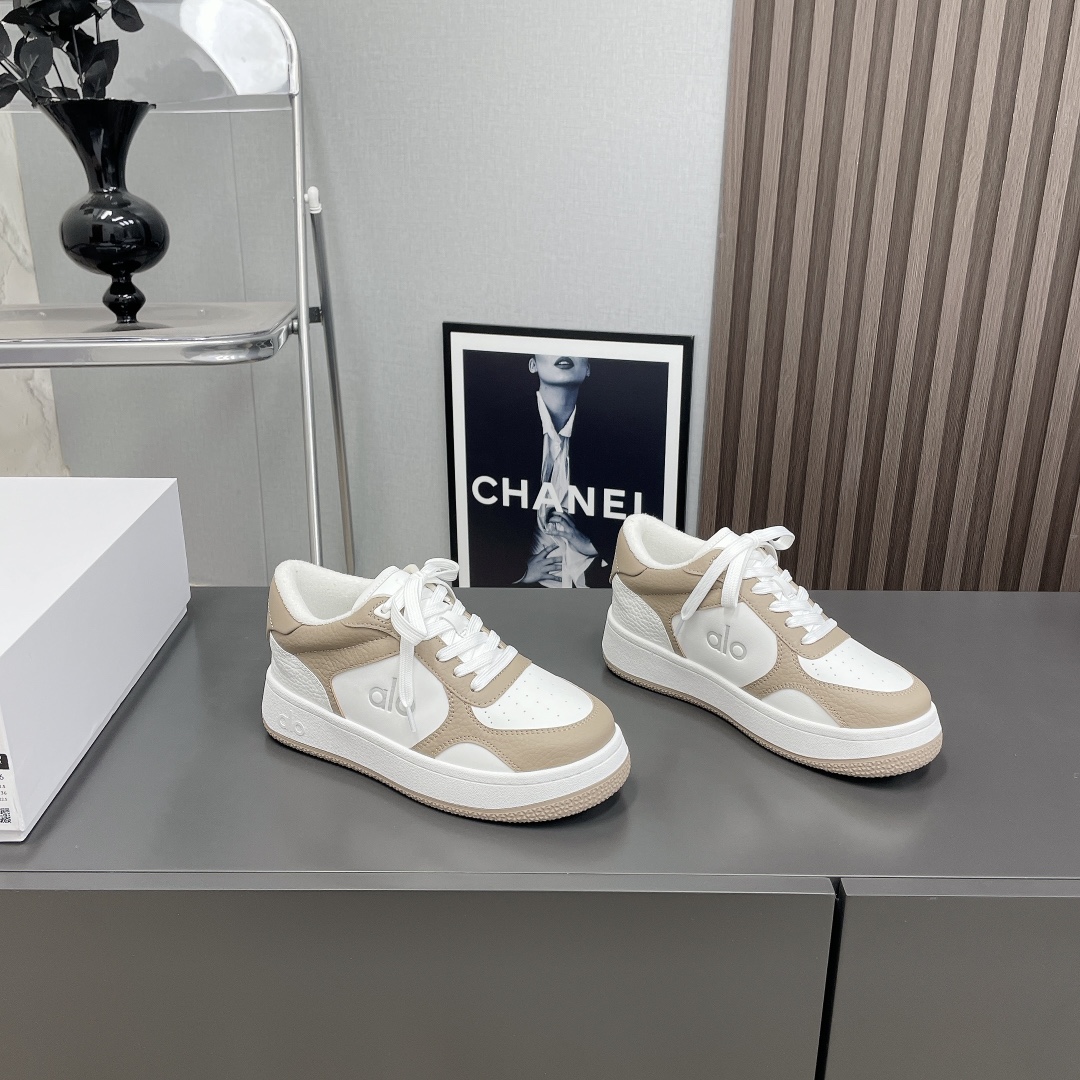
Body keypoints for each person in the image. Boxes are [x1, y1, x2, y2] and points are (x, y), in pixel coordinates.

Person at [462, 350, 667, 587]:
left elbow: (645, 514)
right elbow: (478, 521)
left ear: (588, 368)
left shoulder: (615, 436)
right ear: (532, 365)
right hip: (523, 592)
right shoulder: (499, 431)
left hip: (599, 587)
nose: (564, 353)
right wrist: (519, 573)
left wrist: (594, 545)